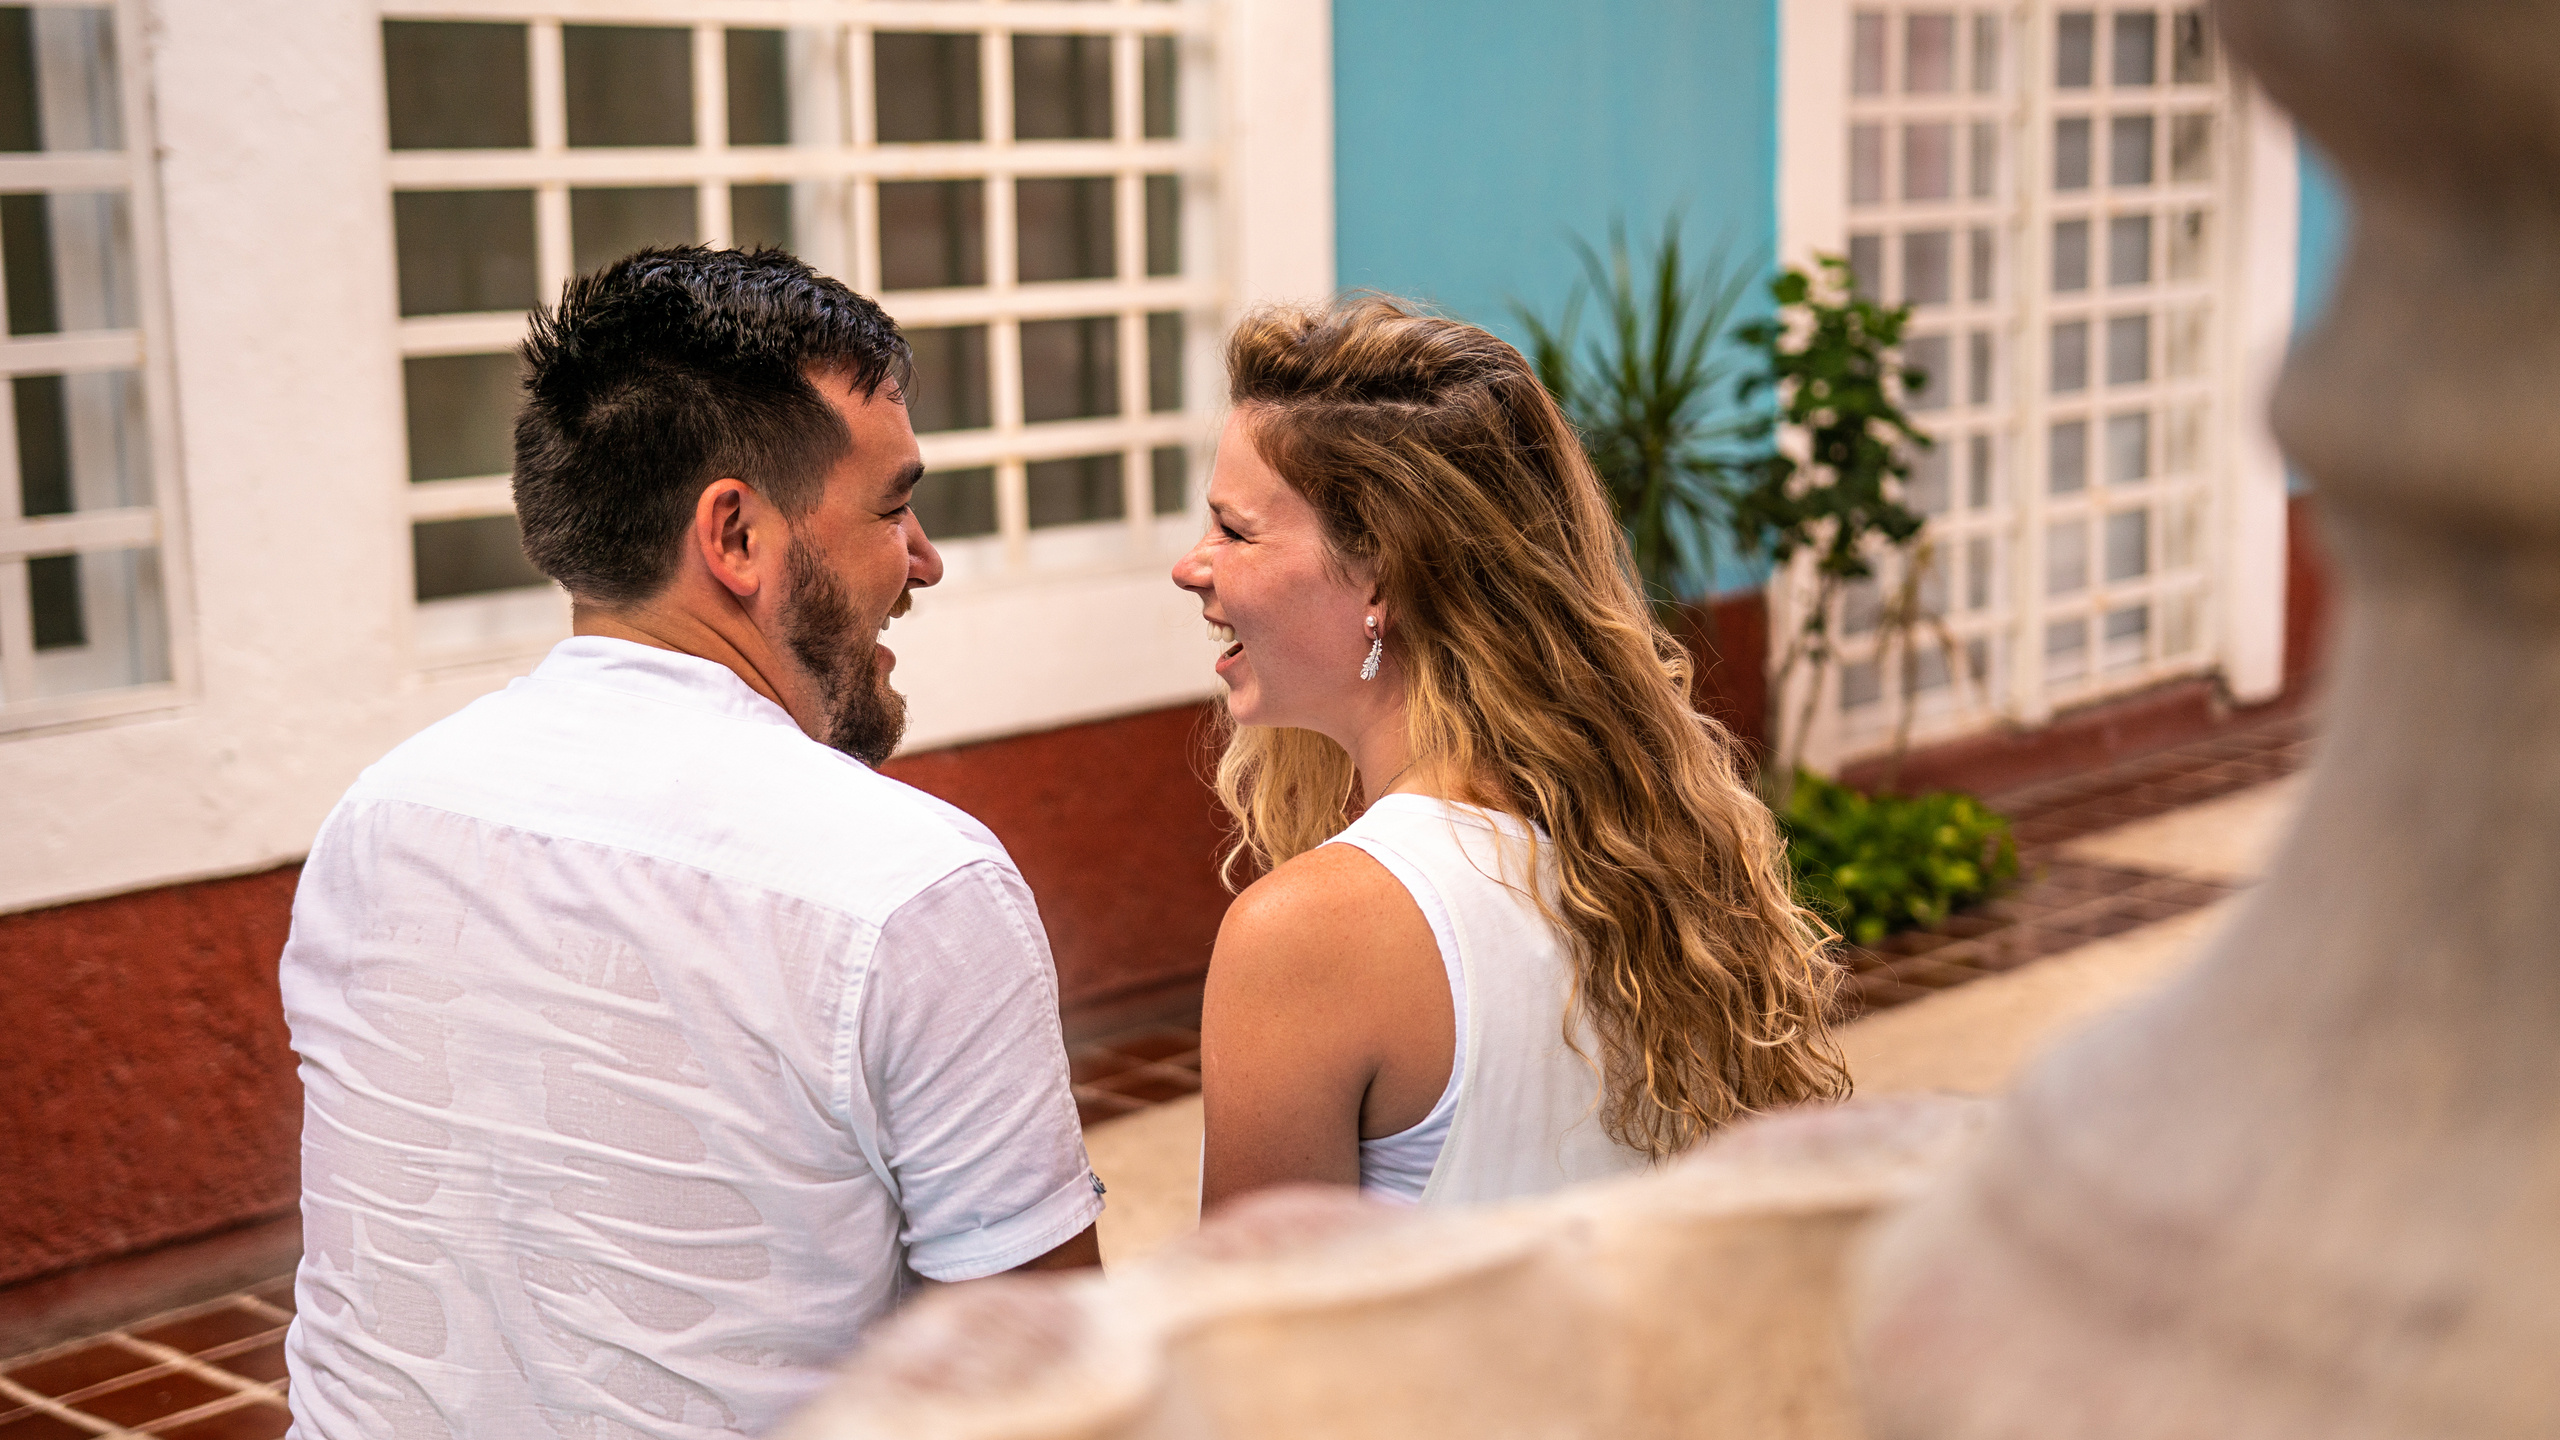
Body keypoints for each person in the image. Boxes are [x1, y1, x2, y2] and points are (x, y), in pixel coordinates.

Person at [278, 247, 1101, 1440]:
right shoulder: (912, 886)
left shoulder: (379, 819)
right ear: (737, 537)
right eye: (891, 506)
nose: (924, 559)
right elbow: (1056, 1394)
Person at [1174, 297, 1852, 1210]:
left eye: (1234, 530)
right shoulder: (1646, 851)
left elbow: (1251, 1338)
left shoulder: (1307, 933)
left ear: (1382, 568)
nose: (1193, 565)